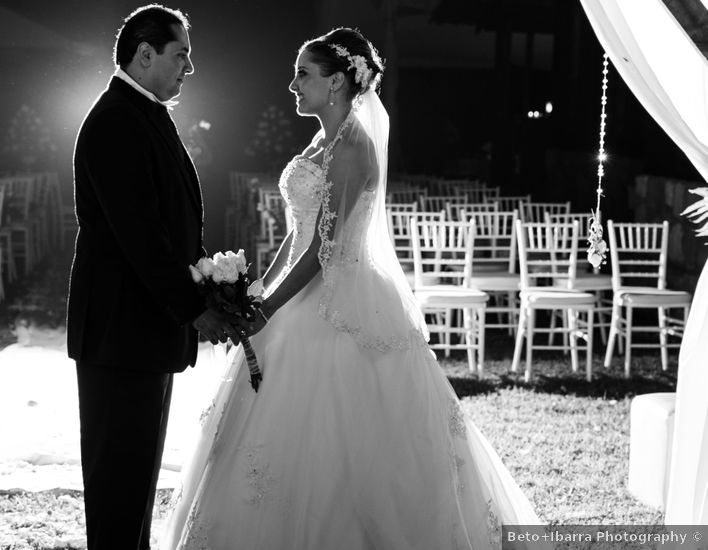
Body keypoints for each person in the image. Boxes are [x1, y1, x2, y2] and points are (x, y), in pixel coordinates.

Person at [162, 28, 540, 549]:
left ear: (337, 81)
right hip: (299, 293)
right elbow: (297, 234)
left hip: (343, 302)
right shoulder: (321, 140)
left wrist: (269, 307)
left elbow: (324, 251)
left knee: (344, 436)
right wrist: (258, 294)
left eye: (303, 74)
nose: (292, 84)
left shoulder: (353, 149)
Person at [67, 5, 244, 549]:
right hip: (121, 330)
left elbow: (169, 220)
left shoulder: (142, 110)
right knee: (119, 478)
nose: (189, 67)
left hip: (140, 329)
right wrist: (195, 308)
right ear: (145, 55)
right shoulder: (117, 119)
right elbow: (140, 236)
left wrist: (208, 279)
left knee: (136, 475)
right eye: (181, 54)